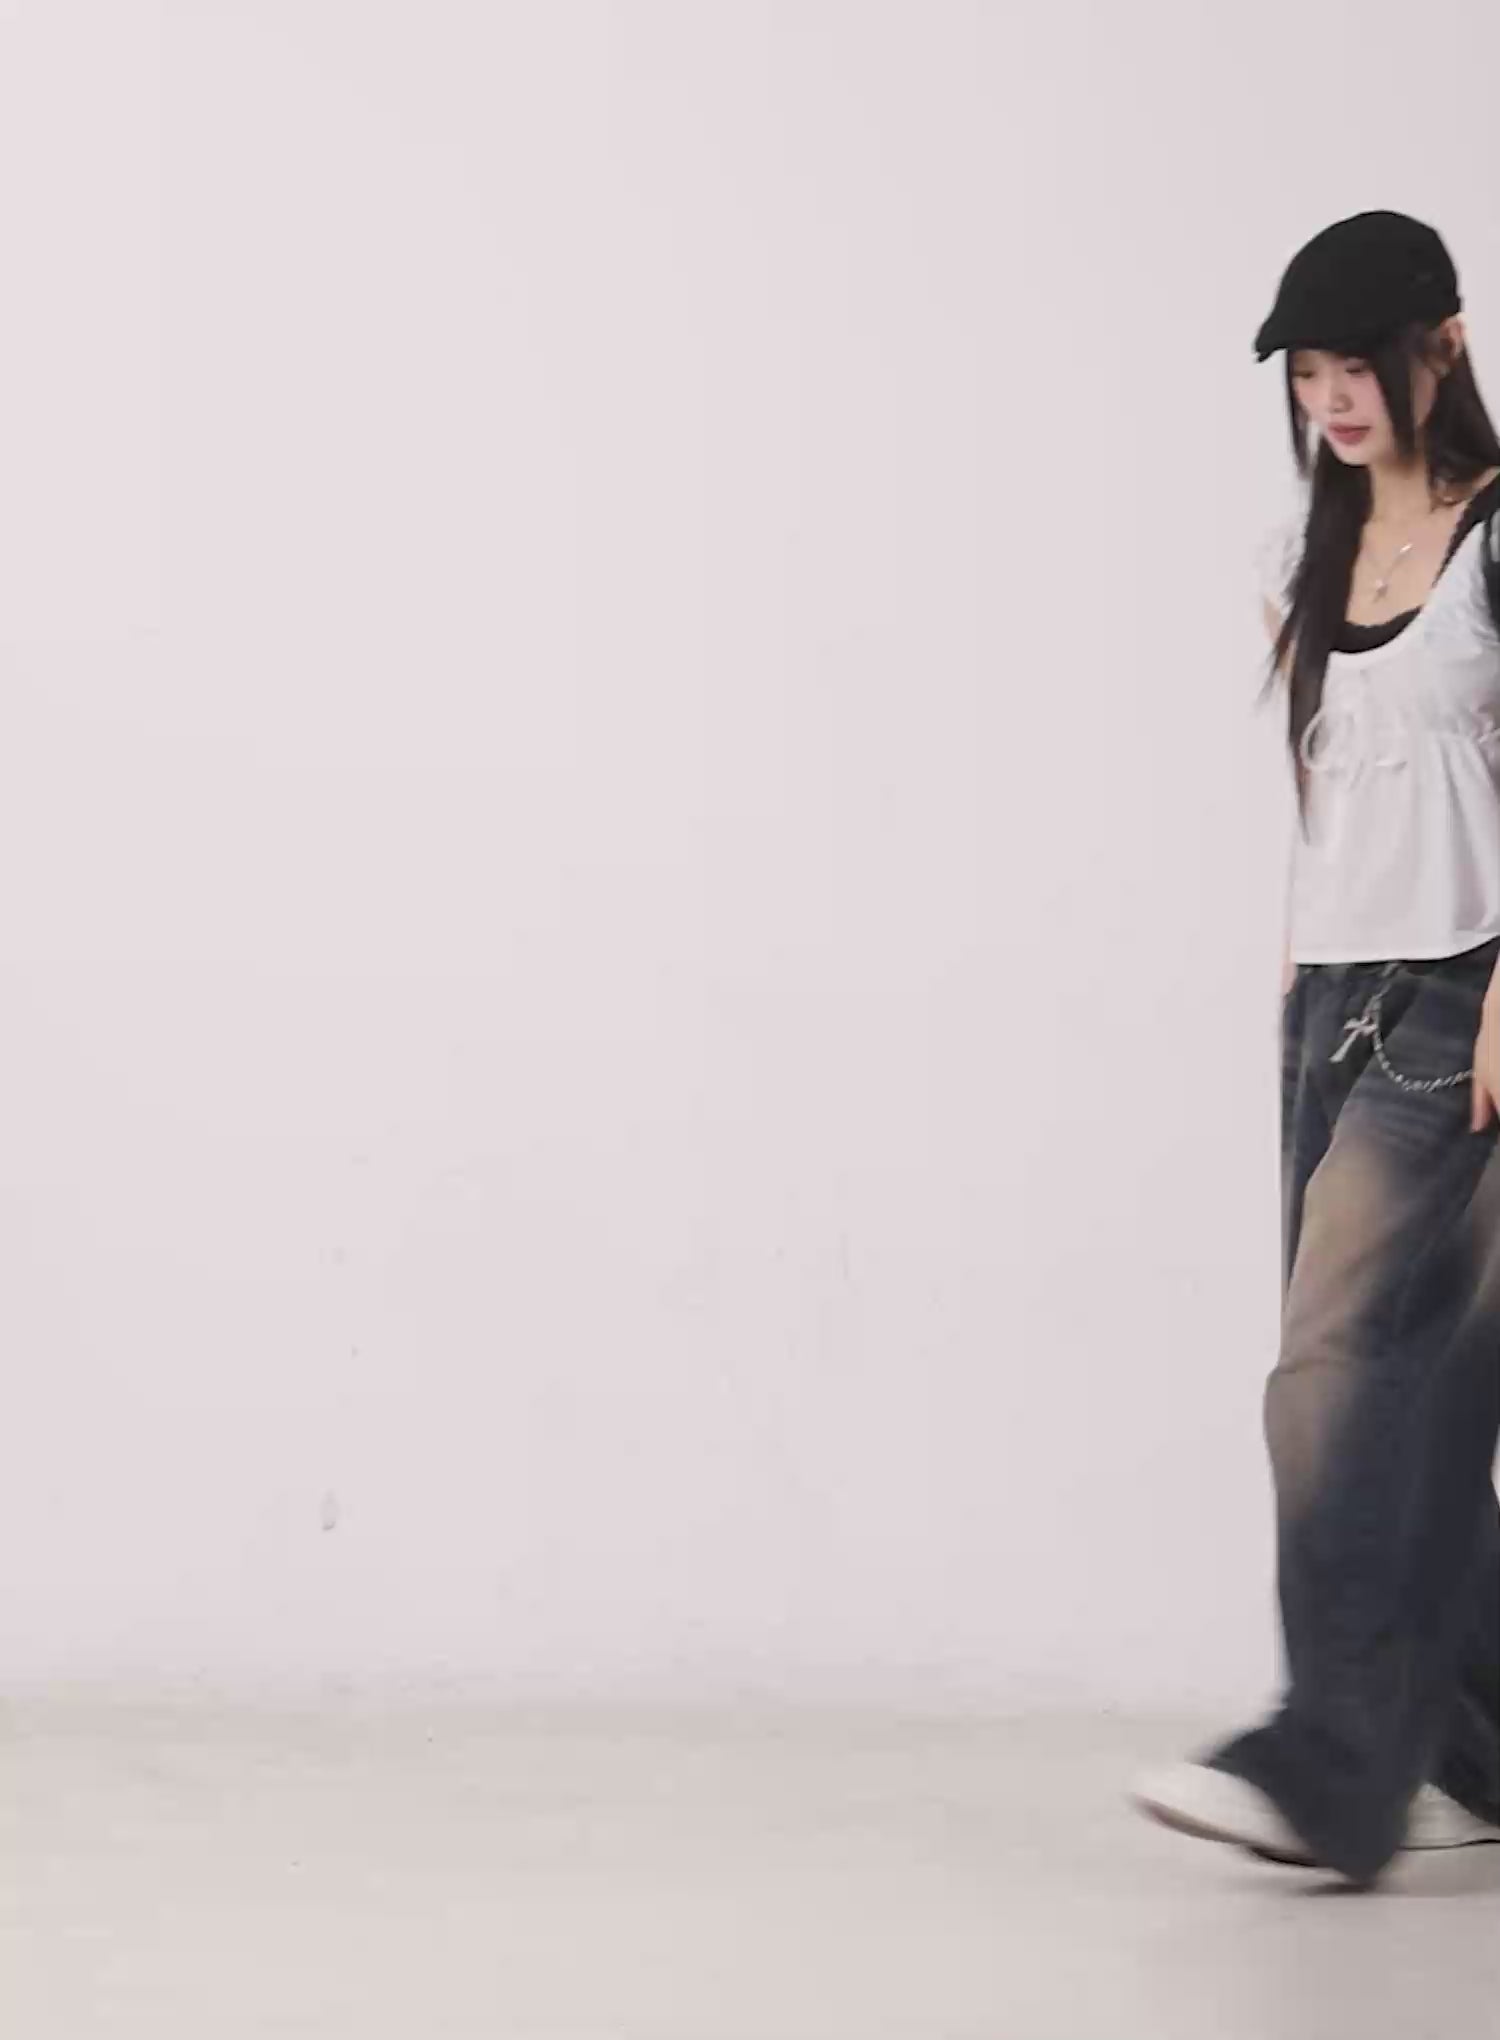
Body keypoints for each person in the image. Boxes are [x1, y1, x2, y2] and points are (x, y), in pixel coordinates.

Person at [1130, 210, 1500, 1888]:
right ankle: (1482, 1752)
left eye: (1359, 365)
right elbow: (1338, 787)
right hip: (1334, 995)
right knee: (1404, 1380)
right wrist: (1300, 960)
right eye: (1308, 373)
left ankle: (1332, 1769)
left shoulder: (1492, 536)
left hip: (1469, 988)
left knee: (1336, 1370)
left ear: (1443, 346)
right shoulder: (1305, 551)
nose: (1333, 399)